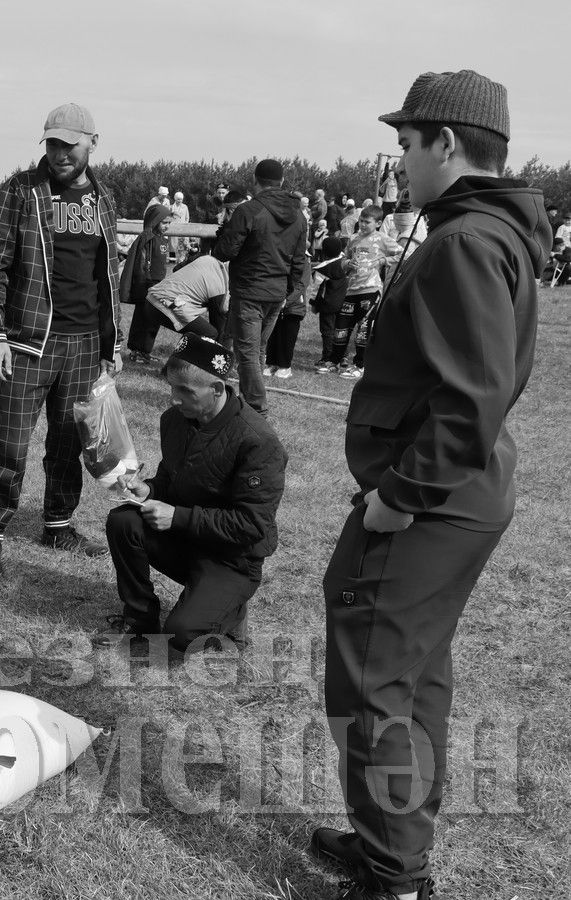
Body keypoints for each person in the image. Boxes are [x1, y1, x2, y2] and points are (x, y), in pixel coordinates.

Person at [313, 69, 551, 900]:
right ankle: (392, 840)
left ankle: (393, 875)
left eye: (405, 143)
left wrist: (396, 497)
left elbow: (473, 395)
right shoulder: (487, 231)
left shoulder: (463, 241)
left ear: (443, 143)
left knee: (372, 677)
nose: (400, 161)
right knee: (411, 674)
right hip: (460, 495)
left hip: (430, 500)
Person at [0, 102, 124, 577]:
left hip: (83, 345)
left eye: (69, 144)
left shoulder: (104, 198)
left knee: (66, 443)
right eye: (53, 143)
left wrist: (112, 343)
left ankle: (57, 525)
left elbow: (109, 276)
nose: (60, 153)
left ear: (92, 144)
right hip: (28, 340)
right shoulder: (21, 190)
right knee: (10, 443)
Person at [91, 334, 285, 654]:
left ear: (217, 390)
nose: (174, 399)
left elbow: (253, 525)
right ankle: (139, 617)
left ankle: (230, 610)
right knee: (123, 521)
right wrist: (149, 488)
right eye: (172, 388)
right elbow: (172, 478)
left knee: (182, 636)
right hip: (186, 539)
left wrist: (177, 516)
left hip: (232, 559)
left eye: (185, 391)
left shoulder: (257, 441)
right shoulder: (175, 420)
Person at [211, 158, 308, 416]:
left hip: (251, 291)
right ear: (282, 182)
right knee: (258, 351)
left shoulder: (249, 211)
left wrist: (224, 234)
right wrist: (291, 293)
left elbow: (225, 252)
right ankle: (251, 403)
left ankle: (255, 410)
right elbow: (300, 261)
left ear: (255, 180)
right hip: (277, 293)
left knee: (248, 354)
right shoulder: (299, 215)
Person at [333, 205, 402, 379]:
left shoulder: (382, 238)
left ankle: (360, 365)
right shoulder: (354, 238)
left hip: (371, 289)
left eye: (367, 222)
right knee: (341, 326)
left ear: (378, 223)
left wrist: (383, 260)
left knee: (364, 328)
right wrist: (347, 264)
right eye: (361, 221)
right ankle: (334, 360)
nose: (362, 225)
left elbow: (404, 253)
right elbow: (345, 258)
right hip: (351, 289)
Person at [120, 202, 172, 364]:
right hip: (146, 284)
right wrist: (144, 282)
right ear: (155, 220)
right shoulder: (147, 238)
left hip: (158, 284)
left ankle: (145, 350)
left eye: (169, 223)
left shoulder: (162, 239)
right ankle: (136, 350)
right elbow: (141, 262)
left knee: (153, 319)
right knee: (142, 317)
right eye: (164, 223)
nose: (167, 226)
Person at [142, 242, 227, 341]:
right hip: (166, 305)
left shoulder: (206, 259)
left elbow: (176, 268)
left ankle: (185, 353)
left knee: (199, 330)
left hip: (151, 298)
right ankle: (184, 356)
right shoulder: (220, 284)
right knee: (210, 334)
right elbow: (219, 322)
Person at [311, 236, 350, 373]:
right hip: (345, 302)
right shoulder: (346, 263)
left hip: (328, 305)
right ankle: (343, 357)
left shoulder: (322, 268)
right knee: (341, 330)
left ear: (324, 251)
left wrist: (314, 304)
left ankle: (327, 357)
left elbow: (317, 289)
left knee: (327, 331)